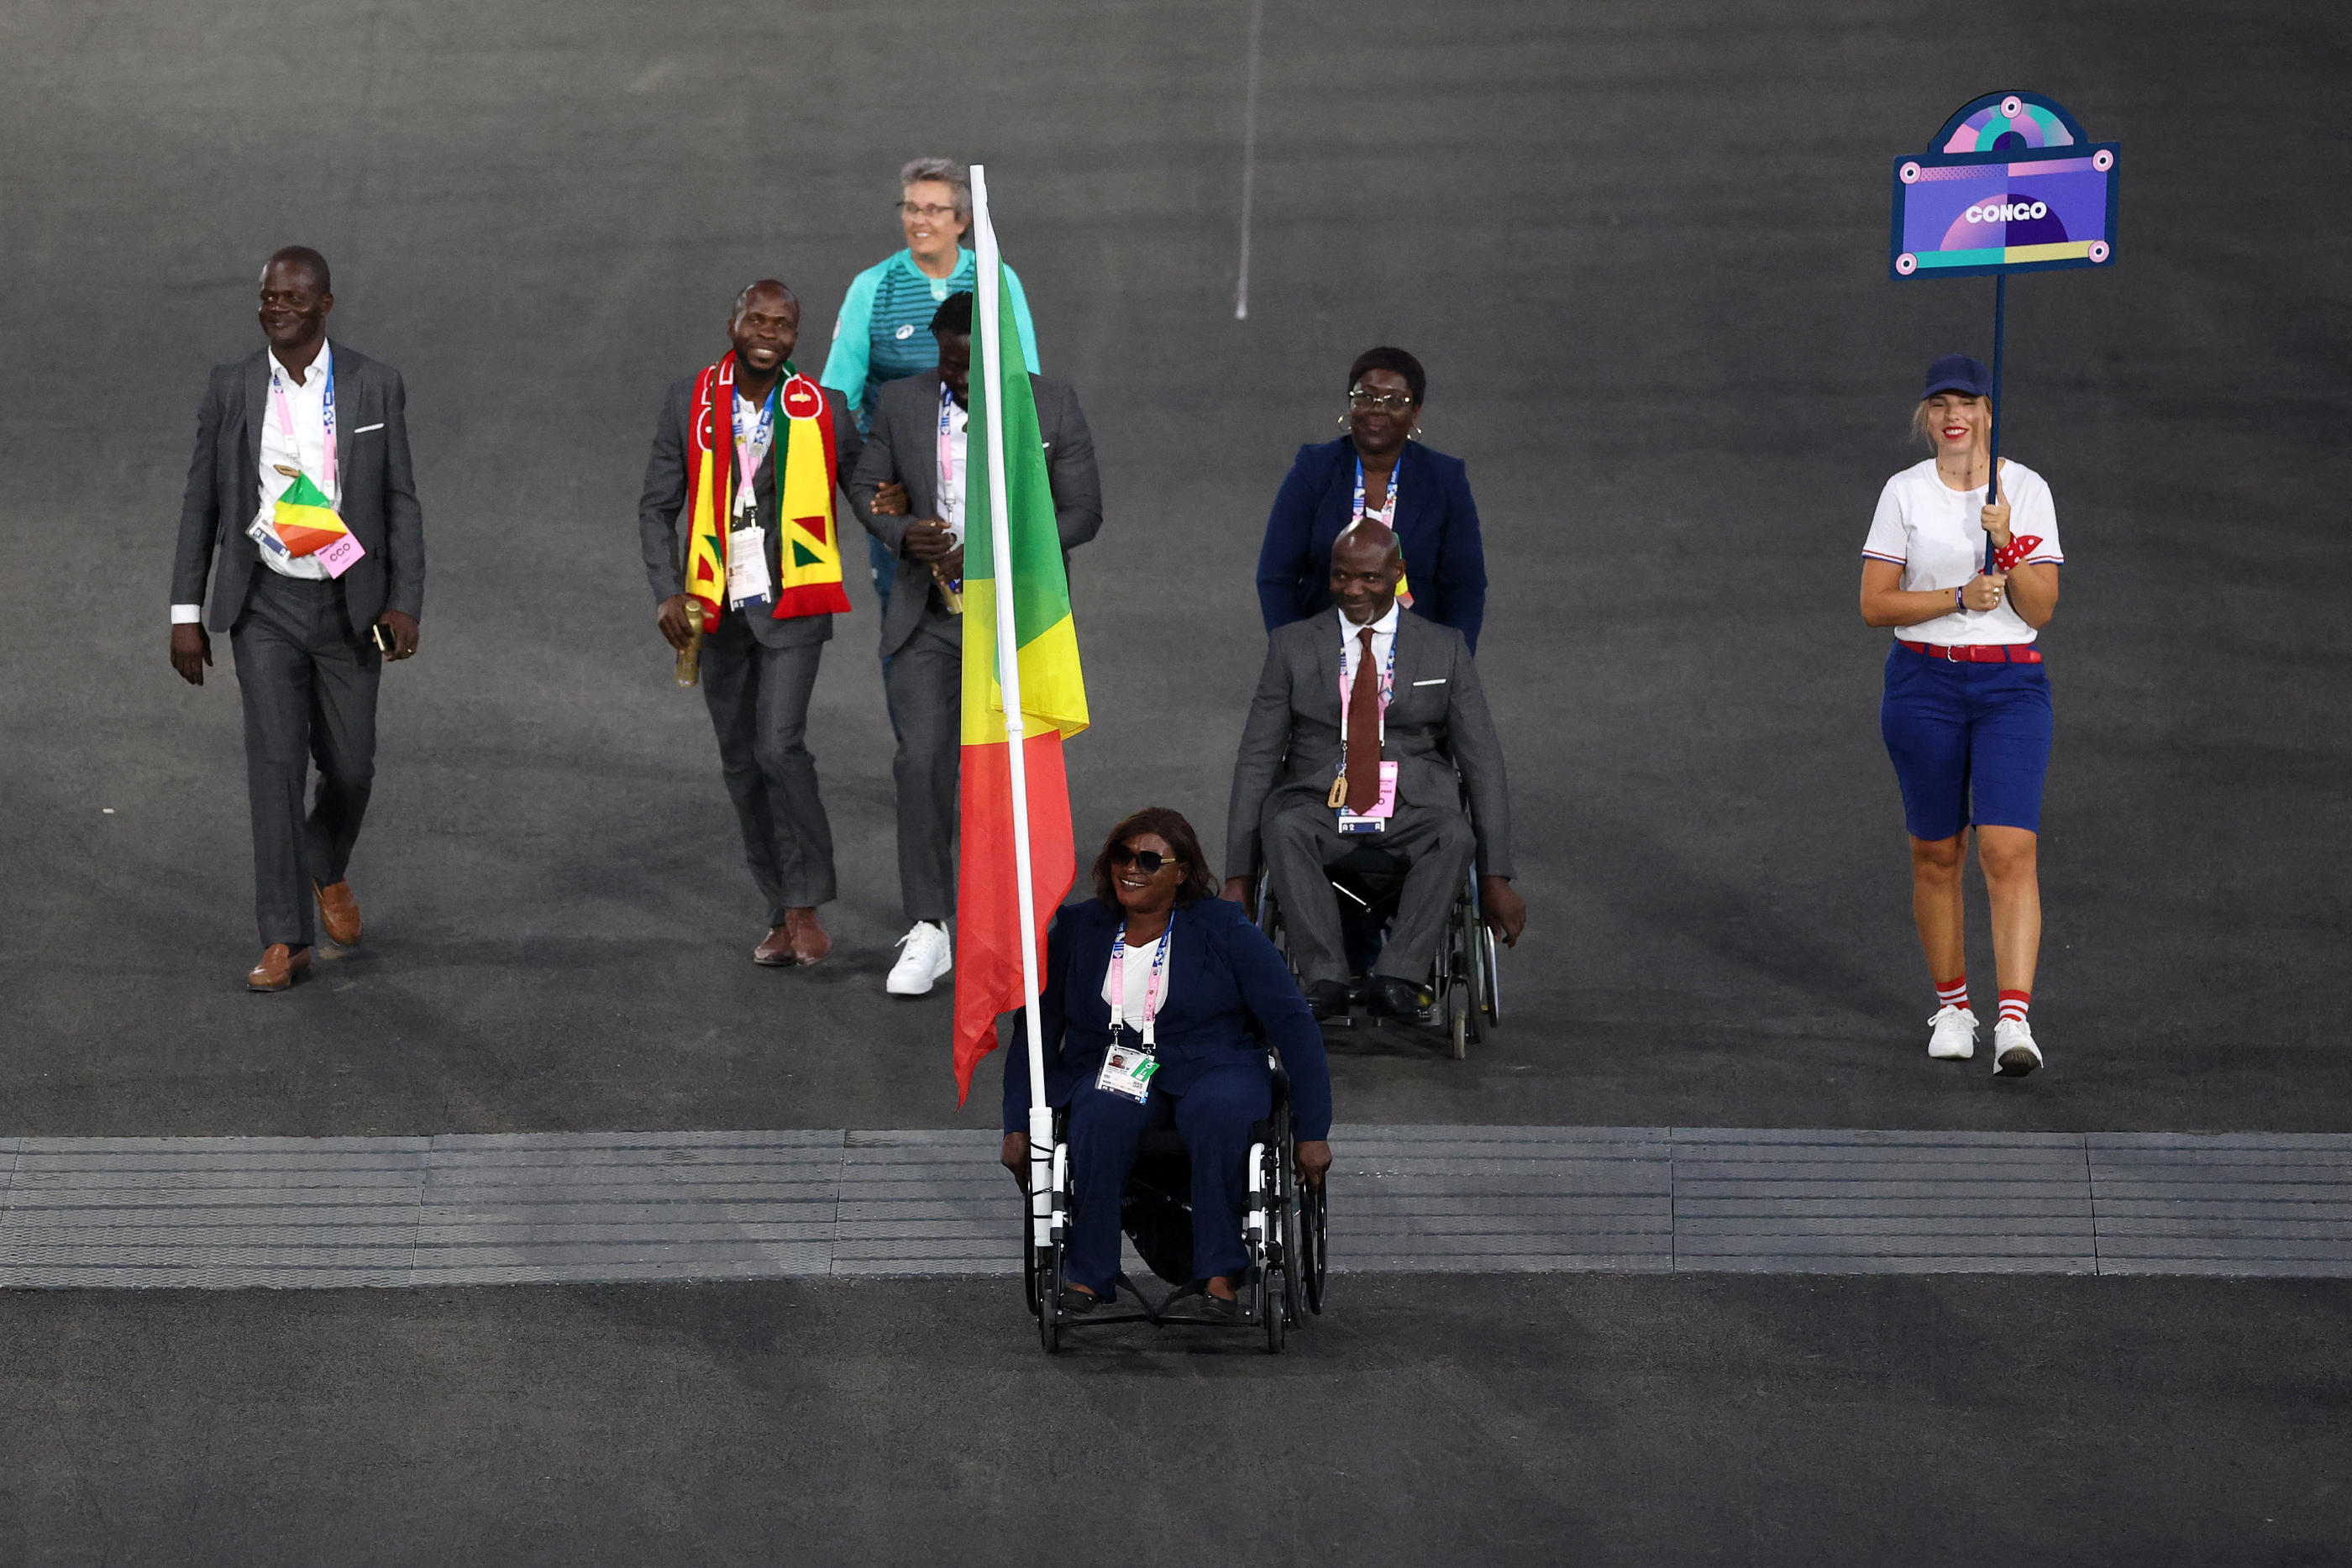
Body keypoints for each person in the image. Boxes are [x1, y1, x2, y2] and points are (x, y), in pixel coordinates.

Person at [169, 246, 425, 991]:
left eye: (293, 297)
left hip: (351, 604)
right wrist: (187, 612)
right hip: (267, 603)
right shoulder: (232, 388)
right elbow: (200, 505)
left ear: (325, 305)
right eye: (268, 297)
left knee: (351, 766)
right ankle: (286, 938)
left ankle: (324, 862)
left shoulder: (376, 385)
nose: (277, 308)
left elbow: (402, 499)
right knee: (275, 769)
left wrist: (405, 599)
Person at [848, 291, 1102, 997]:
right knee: (921, 760)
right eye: (949, 365)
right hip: (925, 617)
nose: (958, 379)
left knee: (1014, 773)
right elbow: (866, 481)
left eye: (971, 368)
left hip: (1015, 623)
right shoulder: (902, 402)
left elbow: (1084, 511)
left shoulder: (1049, 406)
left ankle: (1019, 921)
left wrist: (996, 550)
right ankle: (930, 927)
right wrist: (903, 532)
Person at [1000, 808, 1333, 1317]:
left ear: (1182, 872)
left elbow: (1293, 1023)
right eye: (1122, 855)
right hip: (1115, 1067)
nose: (1131, 868)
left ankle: (1220, 1272)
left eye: (1149, 859)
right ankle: (1088, 1275)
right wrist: (1018, 1123)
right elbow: (1037, 1033)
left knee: (1218, 1110)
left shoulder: (1223, 927)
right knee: (1099, 1109)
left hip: (1214, 1064)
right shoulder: (1075, 928)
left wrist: (1313, 1131)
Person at [638, 280, 863, 968]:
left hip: (792, 602)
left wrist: (912, 524)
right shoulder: (690, 400)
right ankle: (777, 909)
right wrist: (666, 592)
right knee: (741, 764)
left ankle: (805, 902)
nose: (769, 332)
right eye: (757, 319)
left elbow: (867, 485)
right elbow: (656, 505)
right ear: (732, 321)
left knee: (779, 747)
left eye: (784, 324)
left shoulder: (823, 408)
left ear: (798, 334)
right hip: (716, 605)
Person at [1226, 522, 1525, 1021]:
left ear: (1398, 574)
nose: (1353, 589)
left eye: (1369, 577)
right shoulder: (1292, 646)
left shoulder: (1444, 648)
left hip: (1413, 806)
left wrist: (1496, 876)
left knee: (1453, 836)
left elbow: (1483, 762)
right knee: (1284, 826)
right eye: (1341, 576)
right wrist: (1239, 875)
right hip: (1320, 801)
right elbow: (1256, 757)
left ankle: (1400, 974)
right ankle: (1324, 977)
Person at [1860, 353, 2064, 1076]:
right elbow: (1874, 602)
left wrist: (2006, 540)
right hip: (1924, 685)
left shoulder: (2026, 490)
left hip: (2011, 688)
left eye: (1967, 403)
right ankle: (1952, 1005)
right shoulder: (1904, 493)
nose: (1954, 417)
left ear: (1987, 412)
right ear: (1927, 415)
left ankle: (2014, 1021)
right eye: (1941, 404)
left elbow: (2041, 607)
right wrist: (1956, 598)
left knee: (2008, 849)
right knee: (1936, 851)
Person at [822, 157, 1041, 616]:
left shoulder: (996, 281)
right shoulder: (872, 287)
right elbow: (836, 400)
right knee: (903, 619)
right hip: (902, 491)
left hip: (980, 481)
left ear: (962, 221)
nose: (920, 221)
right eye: (911, 208)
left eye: (934, 210)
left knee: (996, 616)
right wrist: (869, 486)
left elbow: (1024, 385)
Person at [1255, 347, 1488, 652]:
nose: (1377, 408)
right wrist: (1296, 658)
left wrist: (1451, 667)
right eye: (1365, 397)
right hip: (1324, 659)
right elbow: (1276, 577)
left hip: (1416, 664)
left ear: (1415, 411)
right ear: (1350, 405)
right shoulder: (1314, 471)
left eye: (1394, 400)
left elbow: (1466, 587)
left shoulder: (1445, 479)